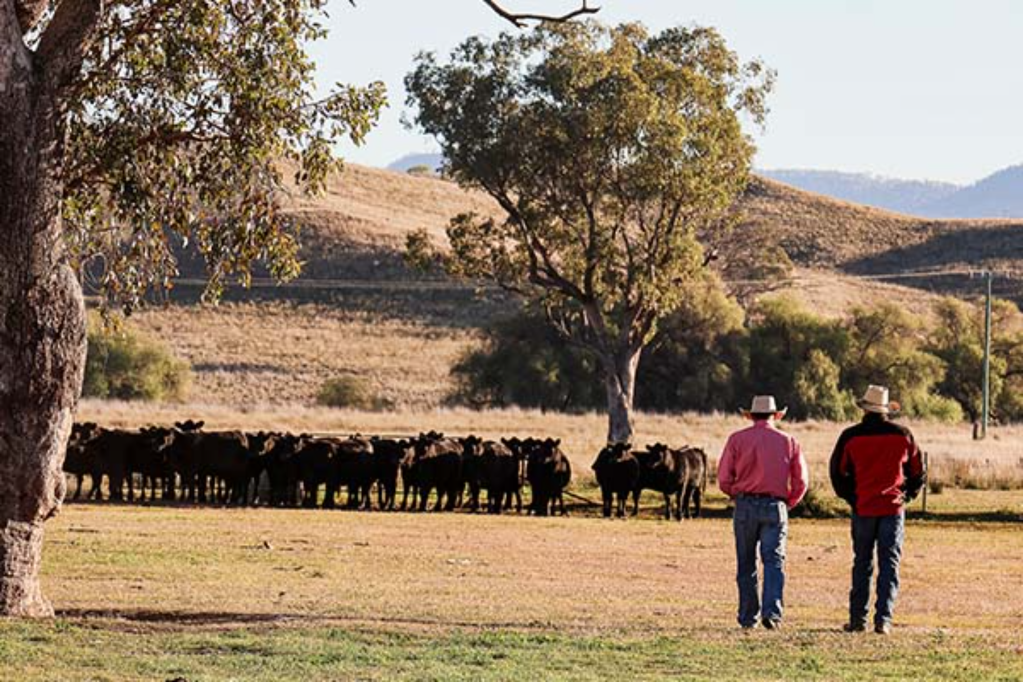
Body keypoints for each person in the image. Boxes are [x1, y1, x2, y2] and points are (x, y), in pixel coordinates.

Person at [829, 385, 926, 635]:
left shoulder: (850, 437)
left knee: (862, 563)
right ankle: (884, 619)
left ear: (864, 409)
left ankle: (857, 618)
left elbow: (837, 473)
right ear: (886, 410)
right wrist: (908, 495)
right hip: (892, 509)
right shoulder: (903, 435)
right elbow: (917, 471)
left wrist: (852, 497)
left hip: (863, 507)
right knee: (889, 565)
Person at [718, 395, 809, 630]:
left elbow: (724, 479)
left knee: (746, 562)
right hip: (774, 505)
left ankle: (748, 616)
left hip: (746, 505)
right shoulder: (788, 441)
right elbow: (801, 482)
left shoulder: (737, 440)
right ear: (775, 415)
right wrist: (787, 502)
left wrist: (737, 494)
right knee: (774, 561)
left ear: (751, 415)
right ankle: (772, 613)